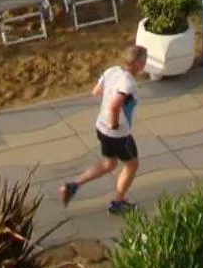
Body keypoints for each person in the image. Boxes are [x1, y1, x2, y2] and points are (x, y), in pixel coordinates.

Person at [59, 44, 147, 213]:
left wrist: (110, 95)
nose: (144, 65)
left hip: (101, 127)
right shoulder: (128, 84)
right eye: (143, 62)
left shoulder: (112, 71)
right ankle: (118, 203)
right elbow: (115, 106)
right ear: (137, 64)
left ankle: (72, 186)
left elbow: (96, 92)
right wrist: (114, 124)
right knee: (132, 165)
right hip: (118, 134)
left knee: (109, 163)